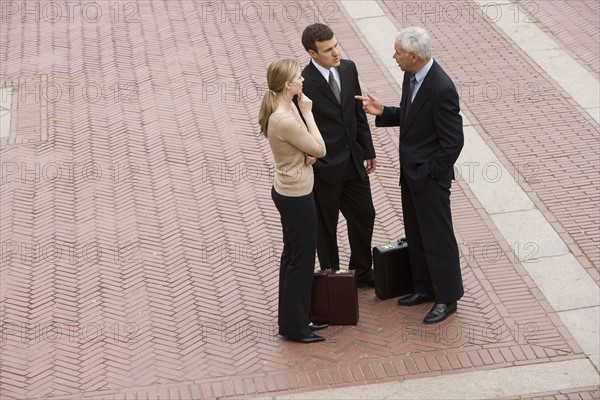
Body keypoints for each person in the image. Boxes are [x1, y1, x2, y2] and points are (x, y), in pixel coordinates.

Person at [356, 26, 464, 324]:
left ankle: (447, 297)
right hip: (412, 174)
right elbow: (412, 115)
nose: (394, 57)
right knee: (417, 234)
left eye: (398, 53)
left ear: (414, 56)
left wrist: (430, 172)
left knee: (438, 238)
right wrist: (384, 112)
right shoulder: (412, 75)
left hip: (429, 178)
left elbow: (453, 141)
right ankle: (424, 288)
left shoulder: (442, 88)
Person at [299, 23, 377, 287]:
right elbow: (301, 129)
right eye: (328, 49)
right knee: (326, 227)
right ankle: (332, 277)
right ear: (312, 53)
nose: (336, 52)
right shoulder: (304, 83)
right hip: (325, 168)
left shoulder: (348, 68)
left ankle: (362, 272)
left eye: (335, 45)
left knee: (365, 215)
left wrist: (368, 150)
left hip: (354, 162)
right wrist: (315, 161)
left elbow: (356, 113)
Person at [258, 59, 328, 343]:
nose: (303, 81)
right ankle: (297, 327)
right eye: (299, 78)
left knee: (292, 257)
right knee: (300, 260)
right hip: (296, 195)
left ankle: (292, 320)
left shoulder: (283, 109)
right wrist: (309, 114)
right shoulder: (286, 117)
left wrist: (305, 153)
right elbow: (320, 148)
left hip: (289, 189)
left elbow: (307, 149)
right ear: (287, 86)